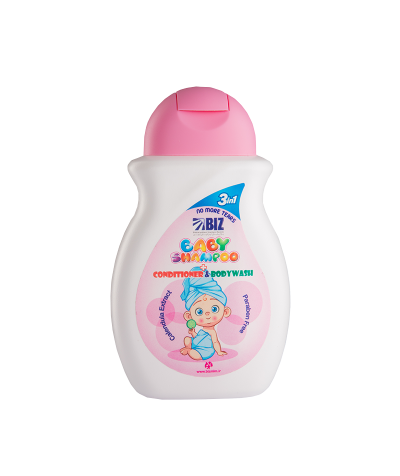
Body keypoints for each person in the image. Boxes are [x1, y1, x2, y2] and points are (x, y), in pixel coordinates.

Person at [180, 267, 231, 360]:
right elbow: (198, 338)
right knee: (187, 339)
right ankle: (188, 348)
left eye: (214, 309)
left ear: (225, 312)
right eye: (199, 312)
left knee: (195, 355)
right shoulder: (203, 331)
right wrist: (193, 333)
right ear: (189, 316)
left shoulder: (212, 332)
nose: (207, 314)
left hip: (205, 350)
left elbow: (215, 342)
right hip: (196, 344)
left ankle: (190, 351)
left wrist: (219, 351)